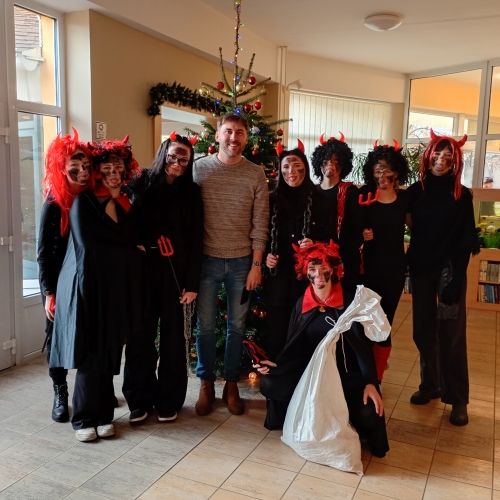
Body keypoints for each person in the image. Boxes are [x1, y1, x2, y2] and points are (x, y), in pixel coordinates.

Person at [50, 137, 146, 441]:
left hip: (116, 287)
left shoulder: (129, 205)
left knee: (111, 349)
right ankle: (82, 418)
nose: (113, 174)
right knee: (91, 353)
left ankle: (104, 414)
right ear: (97, 172)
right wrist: (132, 253)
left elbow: (135, 241)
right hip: (86, 286)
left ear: (126, 170)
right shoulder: (85, 202)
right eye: (107, 169)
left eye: (118, 168)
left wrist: (133, 252)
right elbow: (89, 246)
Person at [256, 241, 389, 459]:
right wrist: (277, 366)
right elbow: (294, 349)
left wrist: (370, 383)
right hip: (310, 377)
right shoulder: (303, 304)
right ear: (305, 272)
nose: (318, 274)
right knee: (270, 383)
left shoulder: (350, 304)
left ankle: (344, 417)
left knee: (370, 413)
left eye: (323, 267)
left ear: (334, 270)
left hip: (346, 377)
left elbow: (362, 349)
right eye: (312, 269)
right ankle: (302, 413)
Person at [123, 132, 204, 423]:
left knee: (174, 340)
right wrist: (133, 243)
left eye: (184, 159)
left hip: (177, 274)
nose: (178, 164)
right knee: (140, 337)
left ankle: (169, 400)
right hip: (143, 272)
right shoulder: (140, 181)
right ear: (163, 154)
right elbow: (124, 218)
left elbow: (197, 240)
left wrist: (192, 284)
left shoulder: (192, 192)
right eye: (173, 157)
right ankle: (139, 399)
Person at [193, 113, 269, 416]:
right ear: (218, 135)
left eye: (239, 133)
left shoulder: (255, 173)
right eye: (228, 131)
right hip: (206, 261)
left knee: (236, 327)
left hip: (241, 263)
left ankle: (232, 384)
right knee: (205, 327)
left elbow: (260, 222)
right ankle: (206, 383)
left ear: (246, 138)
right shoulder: (199, 169)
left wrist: (256, 264)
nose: (233, 138)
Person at [406, 129, 479, 426]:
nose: (442, 159)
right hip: (422, 269)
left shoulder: (462, 195)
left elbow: (466, 239)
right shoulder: (416, 191)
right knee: (423, 331)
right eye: (438, 154)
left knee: (451, 335)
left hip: (450, 271)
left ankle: (458, 399)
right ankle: (430, 385)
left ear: (455, 160)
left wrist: (456, 279)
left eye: (448, 156)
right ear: (428, 156)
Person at [38, 128, 91, 423]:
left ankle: (92, 388)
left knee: (89, 333)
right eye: (75, 167)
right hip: (58, 282)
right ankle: (60, 391)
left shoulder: (92, 199)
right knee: (55, 336)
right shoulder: (53, 204)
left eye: (86, 166)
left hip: (86, 280)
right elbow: (43, 252)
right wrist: (49, 293)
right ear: (62, 169)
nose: (83, 172)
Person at [264, 140, 335, 358]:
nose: (291, 171)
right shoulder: (270, 201)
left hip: (307, 281)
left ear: (305, 167)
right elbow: (260, 234)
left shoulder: (321, 201)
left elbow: (331, 239)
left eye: (296, 165)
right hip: (278, 279)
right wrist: (266, 256)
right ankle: (278, 374)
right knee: (277, 333)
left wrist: (316, 245)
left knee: (305, 332)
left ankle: (303, 375)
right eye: (285, 166)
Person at [359, 140, 411, 381]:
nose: (382, 174)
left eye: (387, 168)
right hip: (367, 269)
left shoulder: (405, 199)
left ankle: (376, 379)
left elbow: (419, 230)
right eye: (378, 168)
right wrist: (362, 232)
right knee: (365, 321)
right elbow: (351, 227)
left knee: (385, 323)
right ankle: (363, 375)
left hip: (394, 271)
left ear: (396, 172)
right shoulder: (365, 196)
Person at [311, 134, 364, 302]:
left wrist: (338, 255)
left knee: (344, 305)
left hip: (344, 260)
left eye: (336, 161)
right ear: (319, 163)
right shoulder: (311, 193)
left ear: (343, 165)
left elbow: (357, 230)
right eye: (326, 161)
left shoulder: (350, 192)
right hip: (316, 260)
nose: (331, 165)